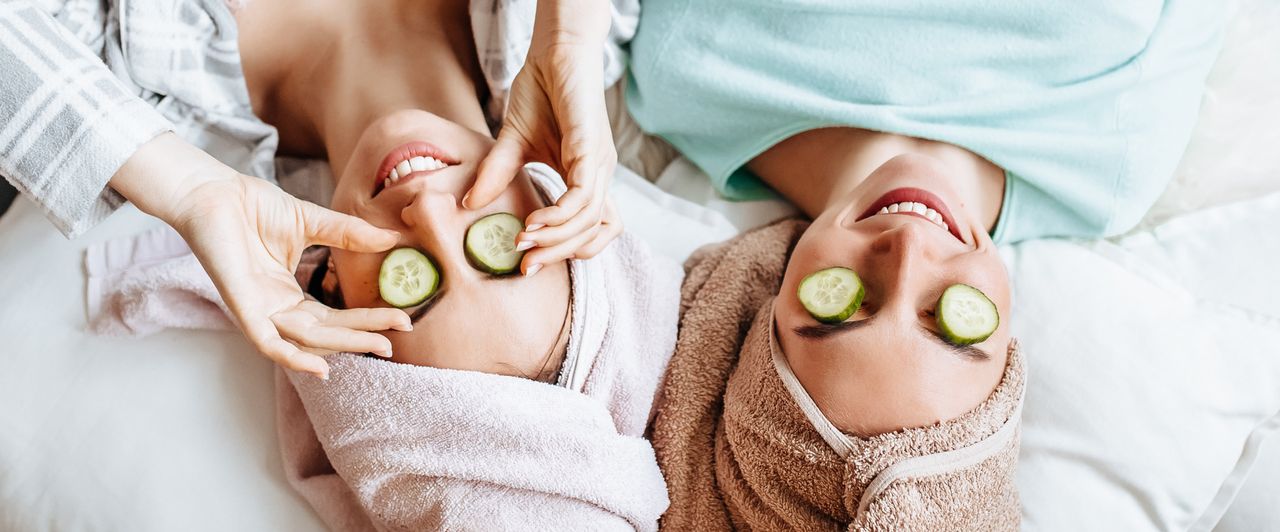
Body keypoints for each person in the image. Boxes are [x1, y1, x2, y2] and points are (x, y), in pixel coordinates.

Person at [614, 0, 1224, 528]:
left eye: (846, 299)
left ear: (768, 297)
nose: (908, 250)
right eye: (956, 322)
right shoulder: (1120, 153)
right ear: (1008, 351)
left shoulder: (688, 71)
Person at [0, 0, 621, 380]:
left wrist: (187, 188)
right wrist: (567, 35)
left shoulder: (126, 77)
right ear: (549, 195)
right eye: (501, 246)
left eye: (412, 281)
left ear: (331, 291)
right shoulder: (575, 32)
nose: (429, 212)